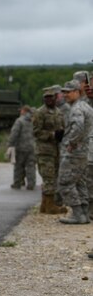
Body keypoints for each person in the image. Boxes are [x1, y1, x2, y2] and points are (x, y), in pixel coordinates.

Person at [57, 80, 93, 224]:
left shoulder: (77, 108)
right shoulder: (86, 106)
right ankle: (83, 213)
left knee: (65, 182)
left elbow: (78, 127)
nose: (65, 95)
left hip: (75, 152)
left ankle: (77, 214)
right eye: (64, 92)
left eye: (68, 92)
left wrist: (72, 142)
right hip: (83, 151)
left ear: (78, 91)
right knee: (80, 181)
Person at [32, 87, 66, 214]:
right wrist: (52, 135)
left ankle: (44, 205)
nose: (49, 99)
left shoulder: (59, 112)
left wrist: (62, 134)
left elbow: (63, 127)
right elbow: (36, 132)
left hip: (56, 150)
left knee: (53, 176)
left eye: (51, 97)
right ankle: (50, 206)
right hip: (44, 150)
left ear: (55, 98)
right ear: (43, 98)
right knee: (48, 178)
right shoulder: (40, 112)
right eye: (46, 97)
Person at [8, 105, 36, 191]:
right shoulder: (34, 120)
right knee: (31, 166)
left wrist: (10, 144)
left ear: (24, 111)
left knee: (18, 166)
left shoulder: (19, 121)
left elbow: (14, 133)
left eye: (21, 110)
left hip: (20, 146)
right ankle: (31, 184)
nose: (20, 112)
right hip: (32, 146)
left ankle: (17, 183)